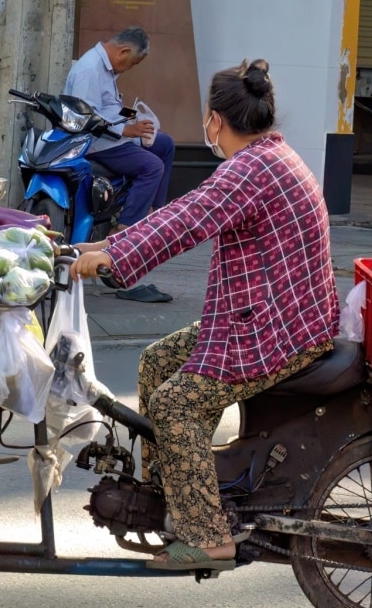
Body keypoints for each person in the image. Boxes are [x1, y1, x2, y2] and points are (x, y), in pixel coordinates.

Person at [70, 59, 339, 570]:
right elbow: (185, 211)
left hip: (273, 328)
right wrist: (106, 245)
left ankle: (207, 534)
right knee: (156, 361)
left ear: (215, 120)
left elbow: (188, 221)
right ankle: (167, 496)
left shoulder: (250, 170)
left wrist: (116, 259)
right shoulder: (266, 157)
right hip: (272, 315)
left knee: (175, 405)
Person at [64, 27, 176, 303]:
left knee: (166, 144)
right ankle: (125, 235)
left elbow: (108, 108)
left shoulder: (107, 69)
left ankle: (150, 214)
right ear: (124, 51)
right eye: (133, 63)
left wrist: (133, 118)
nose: (130, 68)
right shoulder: (89, 70)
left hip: (114, 136)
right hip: (95, 145)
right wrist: (128, 131)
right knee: (152, 167)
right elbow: (85, 119)